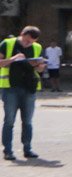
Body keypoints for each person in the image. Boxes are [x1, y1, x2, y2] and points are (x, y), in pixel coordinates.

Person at [1, 26, 48, 160]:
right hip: (10, 87)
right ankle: (8, 151)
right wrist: (14, 58)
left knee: (27, 121)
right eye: (26, 41)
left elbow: (39, 70)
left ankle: (28, 149)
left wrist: (40, 67)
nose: (29, 44)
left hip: (29, 87)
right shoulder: (7, 43)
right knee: (9, 121)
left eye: (31, 42)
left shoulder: (37, 47)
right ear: (22, 34)